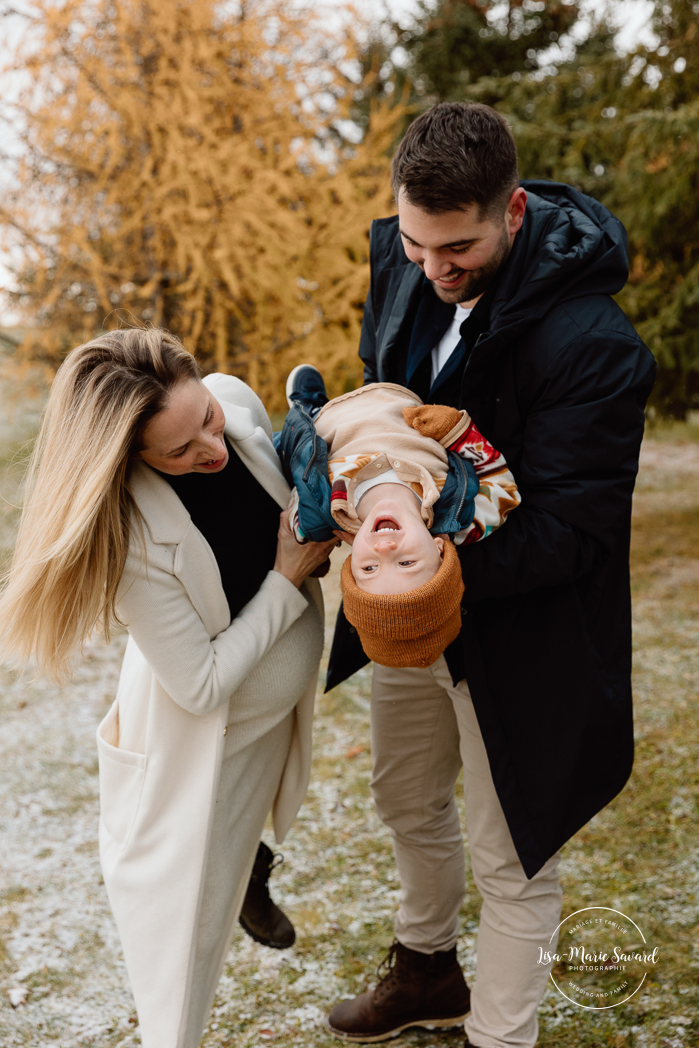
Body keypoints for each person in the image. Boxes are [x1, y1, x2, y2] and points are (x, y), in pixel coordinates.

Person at [324, 103, 657, 1047]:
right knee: (401, 795)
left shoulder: (594, 344)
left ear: (514, 211)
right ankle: (428, 970)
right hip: (404, 611)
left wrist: (442, 555)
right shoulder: (403, 256)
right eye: (417, 243)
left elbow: (573, 533)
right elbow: (382, 400)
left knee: (510, 854)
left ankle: (498, 1038)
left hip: (525, 629)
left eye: (457, 247)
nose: (431, 268)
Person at [0, 328, 336, 1048]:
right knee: (178, 949)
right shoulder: (130, 536)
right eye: (180, 452)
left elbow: (285, 492)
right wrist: (287, 576)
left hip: (271, 720)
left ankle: (250, 864)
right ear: (130, 459)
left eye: (206, 421)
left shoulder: (233, 405)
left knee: (233, 859)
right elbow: (202, 685)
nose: (210, 450)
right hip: (205, 742)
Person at [279, 368, 520, 667]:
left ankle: (308, 403)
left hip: (333, 416)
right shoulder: (461, 515)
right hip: (401, 401)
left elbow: (290, 512)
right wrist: (458, 433)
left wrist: (312, 532)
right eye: (406, 563)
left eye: (368, 567)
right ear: (439, 548)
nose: (384, 549)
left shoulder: (326, 509)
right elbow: (504, 487)